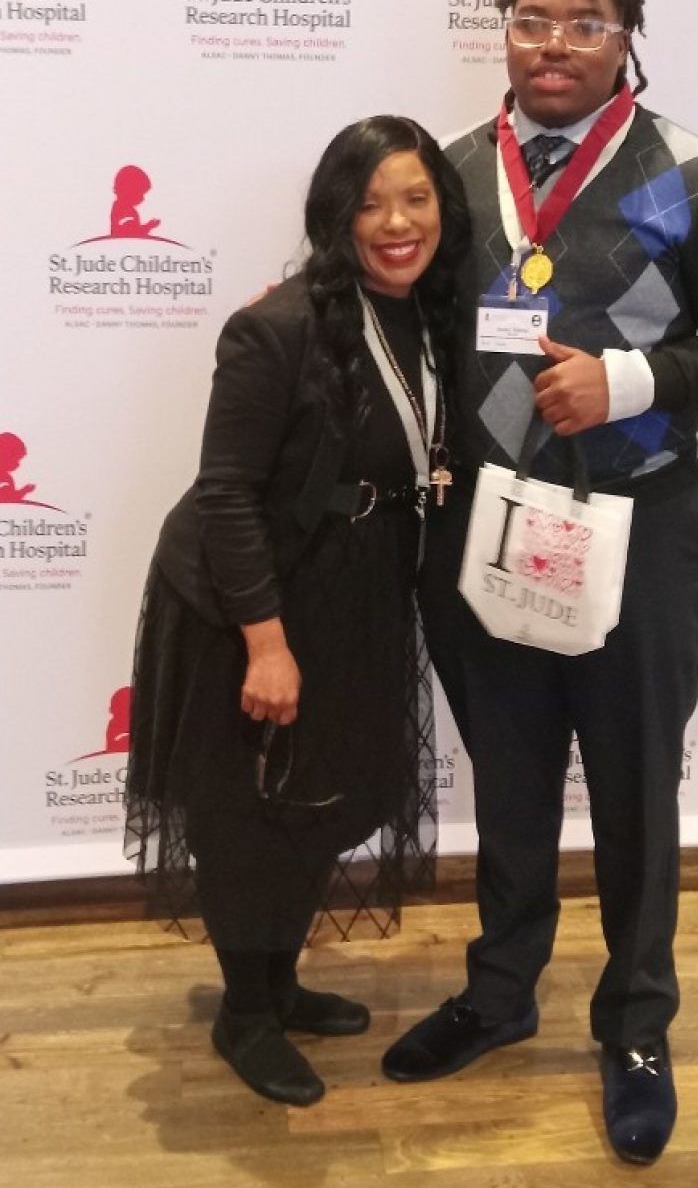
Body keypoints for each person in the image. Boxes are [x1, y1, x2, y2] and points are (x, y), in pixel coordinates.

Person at [381, 0, 698, 1167]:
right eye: (532, 19)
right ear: (501, 27)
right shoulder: (450, 175)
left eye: (585, 22)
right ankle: (501, 994)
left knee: (631, 795)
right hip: (488, 531)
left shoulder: (693, 177)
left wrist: (631, 379)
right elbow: (416, 331)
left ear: (627, 36)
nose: (553, 43)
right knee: (507, 780)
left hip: (641, 529)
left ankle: (635, 1023)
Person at [124, 116, 470, 1107]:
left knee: (320, 800)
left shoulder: (427, 315)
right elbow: (226, 492)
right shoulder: (274, 328)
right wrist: (264, 643)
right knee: (250, 813)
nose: (396, 222)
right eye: (370, 204)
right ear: (333, 217)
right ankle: (245, 1011)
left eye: (416, 198)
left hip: (355, 592)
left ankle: (281, 980)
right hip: (249, 604)